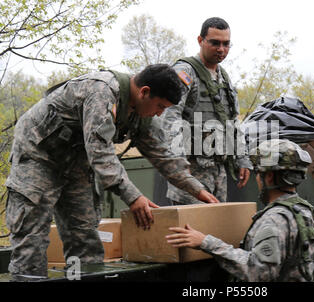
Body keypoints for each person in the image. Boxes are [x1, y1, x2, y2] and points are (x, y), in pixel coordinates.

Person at [5, 64, 219, 281]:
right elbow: (100, 152)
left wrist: (197, 189)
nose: (160, 113)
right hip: (38, 157)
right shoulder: (101, 92)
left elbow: (162, 154)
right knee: (31, 240)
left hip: (77, 162)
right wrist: (133, 197)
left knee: (85, 236)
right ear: (144, 92)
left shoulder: (143, 113)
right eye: (160, 106)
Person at [166, 139, 314, 282]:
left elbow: (258, 272)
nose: (257, 179)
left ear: (269, 177)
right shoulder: (310, 212)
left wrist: (205, 242)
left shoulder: (273, 220)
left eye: (258, 173)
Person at [160, 17, 251, 205]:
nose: (221, 49)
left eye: (226, 44)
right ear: (200, 41)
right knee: (190, 230)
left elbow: (232, 121)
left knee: (215, 230)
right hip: (190, 172)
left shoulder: (223, 77)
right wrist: (177, 166)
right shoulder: (185, 72)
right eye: (215, 43)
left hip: (218, 171)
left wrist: (242, 158)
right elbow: (170, 118)